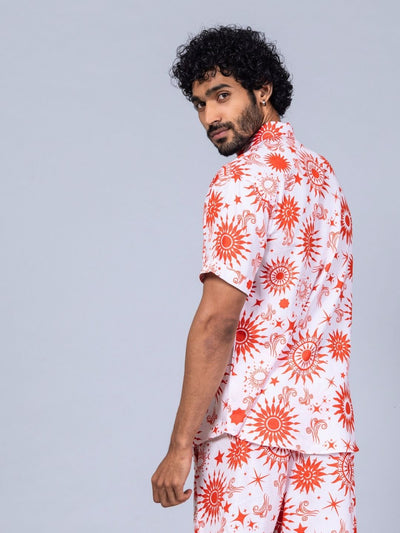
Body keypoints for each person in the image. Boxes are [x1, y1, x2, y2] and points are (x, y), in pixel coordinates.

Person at [151, 25, 358, 533]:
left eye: (222, 96)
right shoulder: (324, 178)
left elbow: (217, 321)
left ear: (262, 90)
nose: (210, 117)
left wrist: (179, 447)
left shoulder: (240, 179)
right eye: (200, 104)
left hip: (246, 431)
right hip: (324, 430)